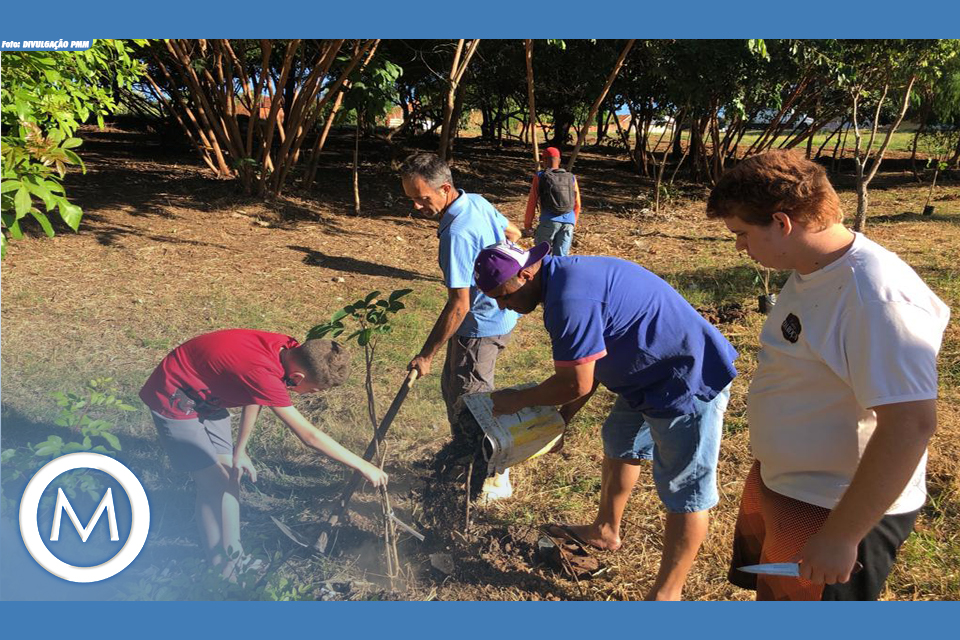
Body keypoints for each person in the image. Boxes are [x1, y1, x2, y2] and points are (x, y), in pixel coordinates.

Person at [706, 150, 949, 601]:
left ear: (782, 223)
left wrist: (841, 535)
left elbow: (910, 425)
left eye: (742, 234)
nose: (740, 246)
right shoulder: (812, 269)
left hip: (836, 509)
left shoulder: (876, 299)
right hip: (792, 486)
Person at [474, 241, 738, 600]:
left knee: (686, 491)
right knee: (620, 438)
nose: (502, 306)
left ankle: (667, 595)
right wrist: (563, 419)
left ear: (525, 274)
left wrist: (516, 401)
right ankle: (605, 529)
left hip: (683, 377)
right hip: (644, 372)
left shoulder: (569, 300)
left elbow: (575, 382)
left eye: (502, 296)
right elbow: (589, 366)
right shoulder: (563, 279)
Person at [140, 329, 386, 578]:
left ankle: (234, 555)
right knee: (213, 485)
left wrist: (241, 450)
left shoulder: (285, 349)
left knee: (230, 475)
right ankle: (221, 571)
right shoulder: (264, 372)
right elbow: (308, 436)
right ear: (298, 377)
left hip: (210, 391)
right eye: (315, 390)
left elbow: (253, 392)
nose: (315, 395)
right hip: (175, 395)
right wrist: (362, 465)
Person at [399, 152, 522, 502]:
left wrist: (426, 355)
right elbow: (513, 232)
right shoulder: (477, 202)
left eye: (423, 198)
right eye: (412, 199)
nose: (418, 207)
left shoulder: (456, 232)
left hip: (481, 325)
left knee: (474, 404)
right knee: (455, 390)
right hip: (495, 316)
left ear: (445, 188)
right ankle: (464, 459)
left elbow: (459, 304)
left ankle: (493, 477)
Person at [523, 146, 581, 256]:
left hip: (548, 221)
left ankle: (545, 273)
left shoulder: (540, 176)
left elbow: (532, 202)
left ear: (544, 161)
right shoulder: (571, 177)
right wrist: (573, 222)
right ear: (559, 161)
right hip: (569, 221)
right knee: (561, 259)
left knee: (542, 257)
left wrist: (528, 224)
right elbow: (577, 204)